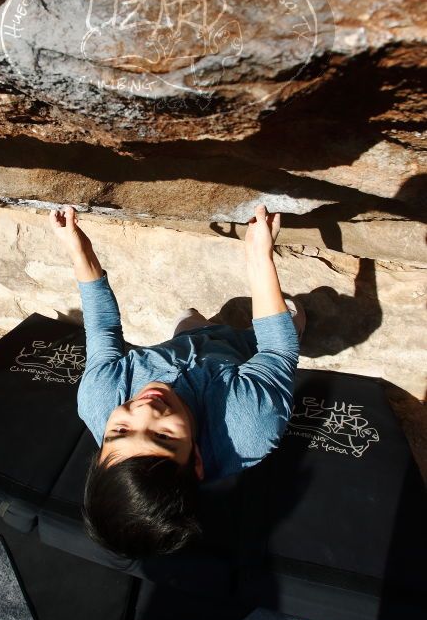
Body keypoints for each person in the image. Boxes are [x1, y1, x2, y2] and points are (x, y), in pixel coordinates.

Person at [49, 203, 305, 559]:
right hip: (247, 352)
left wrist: (77, 248)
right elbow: (277, 351)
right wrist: (259, 257)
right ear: (197, 461)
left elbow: (102, 326)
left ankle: (204, 325)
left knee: (188, 319)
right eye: (163, 436)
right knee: (292, 314)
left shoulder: (99, 397)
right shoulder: (250, 426)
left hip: (185, 341)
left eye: (120, 432)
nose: (146, 410)